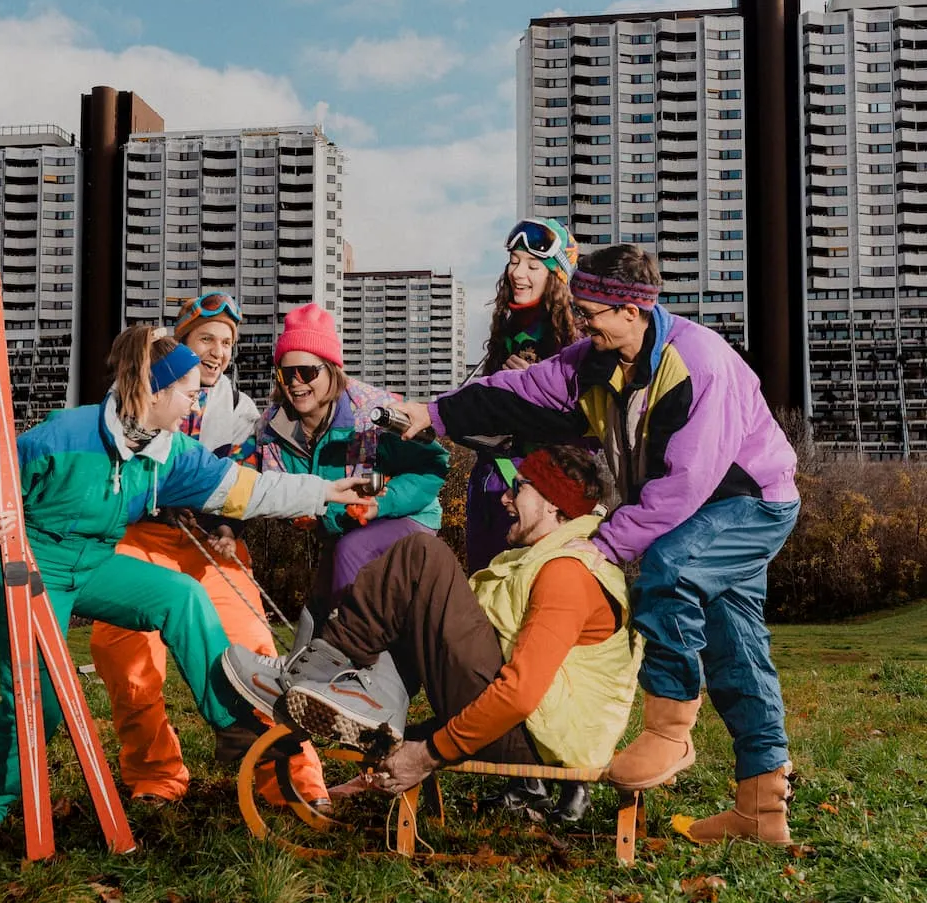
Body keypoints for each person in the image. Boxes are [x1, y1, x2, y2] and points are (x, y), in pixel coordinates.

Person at [391, 245, 800, 846]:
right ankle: (761, 810)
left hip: (746, 501)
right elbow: (520, 390)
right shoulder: (596, 360)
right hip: (694, 507)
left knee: (668, 568)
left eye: (591, 315)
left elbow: (683, 487)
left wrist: (605, 542)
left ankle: (670, 731)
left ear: (633, 311)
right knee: (738, 647)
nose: (582, 325)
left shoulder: (698, 363)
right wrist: (435, 414)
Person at [0, 325, 367, 828]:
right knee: (40, 703)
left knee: (183, 596)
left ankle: (232, 722)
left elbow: (247, 489)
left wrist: (324, 491)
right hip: (35, 564)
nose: (194, 408)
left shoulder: (166, 451)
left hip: (98, 561)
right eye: (189, 395)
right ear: (157, 391)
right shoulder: (66, 434)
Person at [222, 445, 640, 823]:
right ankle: (353, 686)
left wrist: (426, 754)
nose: (505, 497)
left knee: (424, 556)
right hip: (528, 731)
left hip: (534, 742)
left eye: (520, 487)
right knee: (414, 592)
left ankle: (313, 672)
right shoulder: (538, 561)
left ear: (554, 506)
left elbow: (519, 695)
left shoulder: (565, 573)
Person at [88, 293, 327, 811]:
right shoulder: (138, 394)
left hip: (212, 548)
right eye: (205, 340)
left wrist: (226, 522)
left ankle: (294, 782)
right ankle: (156, 774)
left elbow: (253, 478)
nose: (217, 352)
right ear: (180, 344)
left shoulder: (244, 412)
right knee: (125, 655)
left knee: (254, 653)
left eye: (226, 343)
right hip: (139, 538)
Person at [257, 304, 450, 610]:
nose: (295, 382)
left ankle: (351, 653)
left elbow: (433, 466)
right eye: (286, 373)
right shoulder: (271, 429)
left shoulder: (374, 416)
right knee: (319, 608)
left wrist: (382, 502)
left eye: (306, 372)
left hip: (406, 518)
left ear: (332, 370)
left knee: (351, 555)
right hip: (342, 530)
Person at [465, 219, 579, 571]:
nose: (518, 272)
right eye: (514, 261)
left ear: (556, 278)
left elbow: (579, 423)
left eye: (533, 265)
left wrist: (531, 383)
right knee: (483, 583)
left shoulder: (573, 338)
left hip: (534, 485)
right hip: (489, 473)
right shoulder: (508, 328)